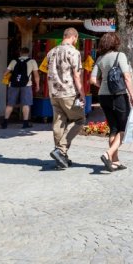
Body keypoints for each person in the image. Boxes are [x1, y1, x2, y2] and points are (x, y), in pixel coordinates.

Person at [90, 32, 133, 172]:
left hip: (103, 96)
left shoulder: (100, 59)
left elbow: (92, 79)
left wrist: (103, 85)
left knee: (113, 128)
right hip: (118, 95)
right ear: (115, 43)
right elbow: (127, 77)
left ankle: (114, 161)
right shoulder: (119, 56)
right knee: (124, 129)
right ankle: (108, 154)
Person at [45, 27, 86, 169]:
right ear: (74, 37)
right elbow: (76, 74)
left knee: (58, 124)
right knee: (80, 119)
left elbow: (46, 72)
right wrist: (82, 92)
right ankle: (61, 150)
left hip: (54, 92)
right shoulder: (73, 52)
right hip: (68, 92)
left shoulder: (51, 52)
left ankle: (61, 158)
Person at [2, 47, 39, 129]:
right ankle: (25, 123)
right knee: (26, 104)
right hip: (26, 85)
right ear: (28, 53)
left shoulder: (14, 61)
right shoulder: (32, 61)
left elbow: (5, 73)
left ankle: (5, 122)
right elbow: (36, 75)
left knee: (10, 103)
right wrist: (37, 85)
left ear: (20, 53)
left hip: (13, 84)